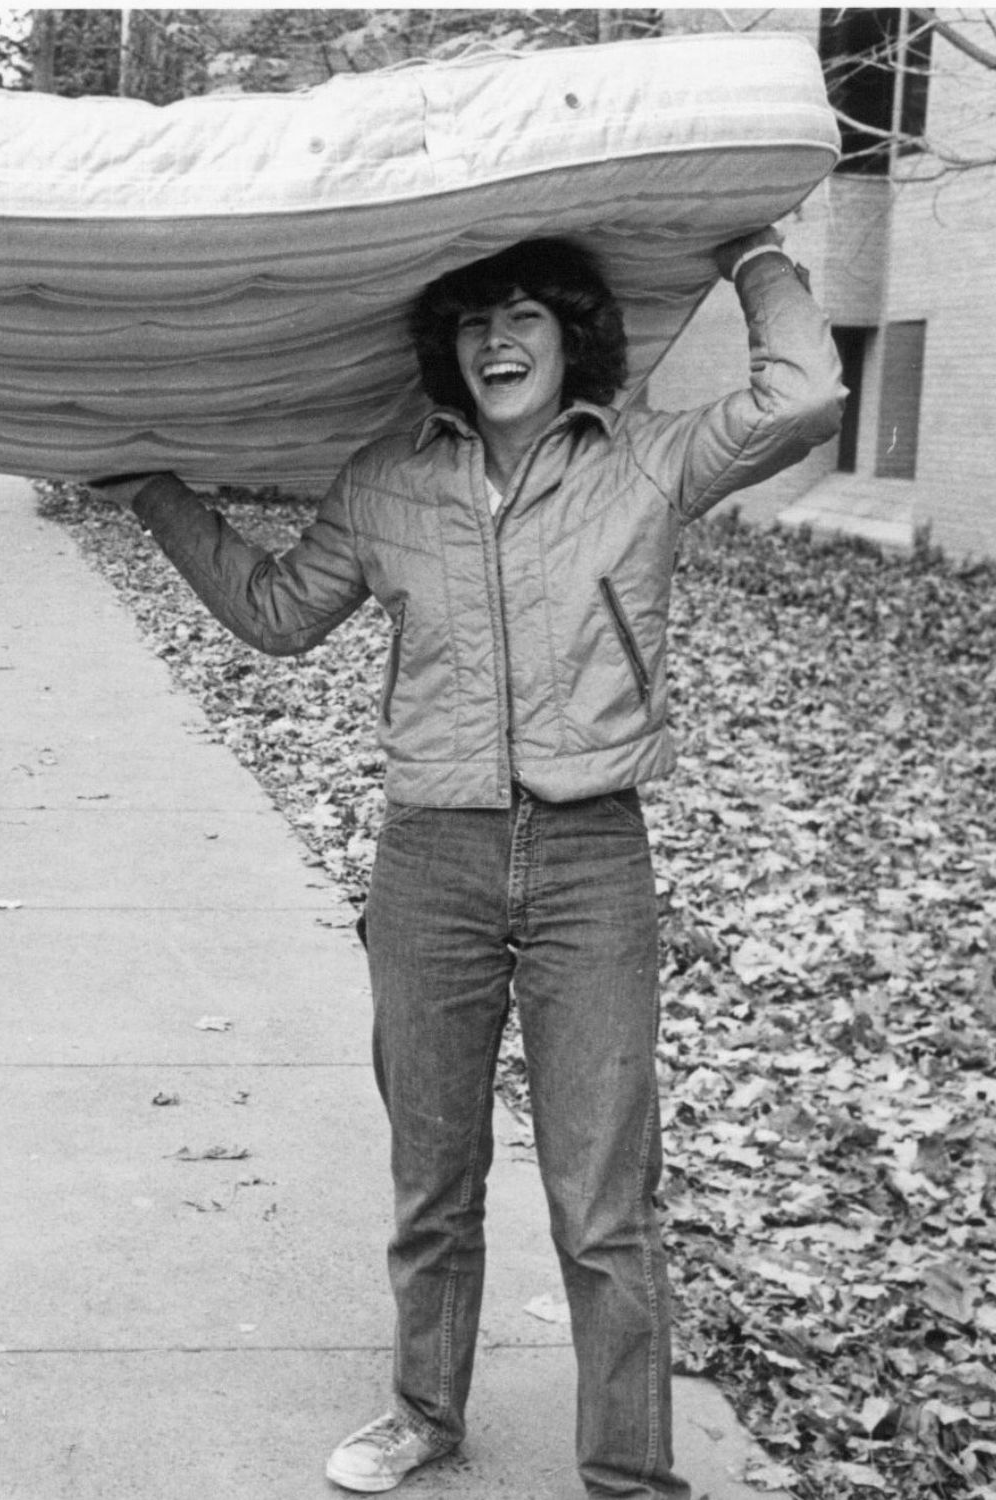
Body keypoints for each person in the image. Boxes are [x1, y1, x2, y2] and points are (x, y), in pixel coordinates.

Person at [92, 229, 842, 1497]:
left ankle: (628, 1473)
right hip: (427, 858)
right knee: (429, 1177)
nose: (498, 342)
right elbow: (278, 616)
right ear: (443, 348)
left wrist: (752, 254)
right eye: (473, 323)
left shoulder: (648, 458)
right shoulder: (388, 479)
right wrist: (160, 497)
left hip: (589, 857)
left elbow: (807, 394)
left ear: (572, 338)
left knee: (603, 1204)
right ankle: (421, 1414)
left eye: (526, 319)